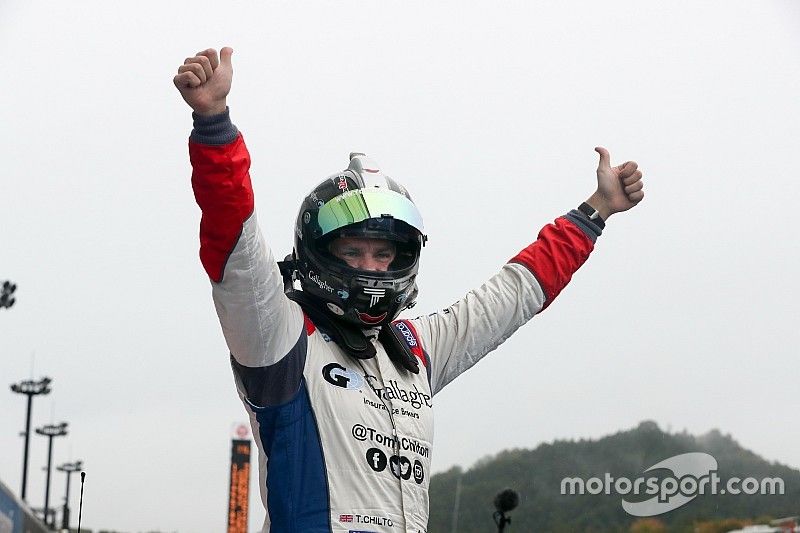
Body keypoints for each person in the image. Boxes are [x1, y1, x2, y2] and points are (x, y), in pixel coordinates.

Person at [174, 47, 644, 533]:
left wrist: (596, 211)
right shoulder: (278, 338)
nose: (370, 268)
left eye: (384, 255)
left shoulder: (414, 350)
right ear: (318, 251)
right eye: (353, 252)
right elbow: (234, 238)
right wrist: (213, 124)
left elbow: (513, 294)